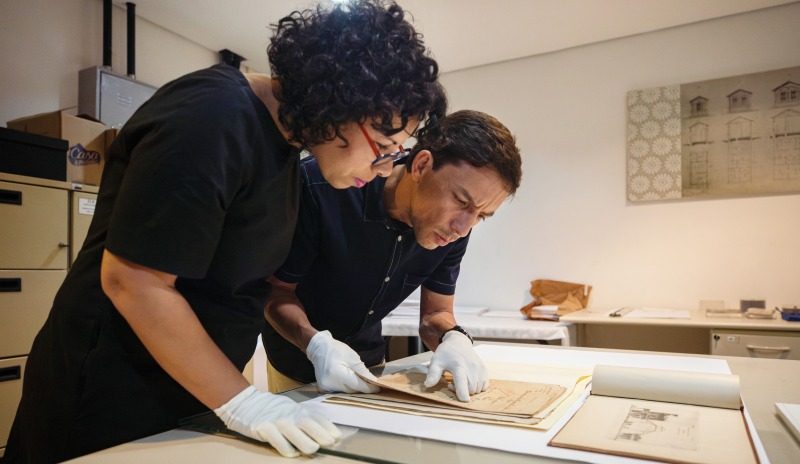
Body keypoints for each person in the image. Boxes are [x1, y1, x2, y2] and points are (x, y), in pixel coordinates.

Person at [5, 1, 446, 462]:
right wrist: (243, 401)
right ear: (343, 102)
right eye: (385, 148)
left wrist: (311, 345)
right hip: (109, 390)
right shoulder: (211, 116)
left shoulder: (286, 155)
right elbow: (134, 281)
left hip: (188, 391)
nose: (380, 170)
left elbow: (239, 286)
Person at [263, 110, 522, 402]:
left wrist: (454, 338)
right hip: (296, 363)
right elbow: (275, 294)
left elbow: (436, 314)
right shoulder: (324, 187)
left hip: (372, 364)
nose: (463, 228)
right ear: (422, 165)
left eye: (481, 216)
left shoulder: (455, 229)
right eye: (461, 201)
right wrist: (316, 345)